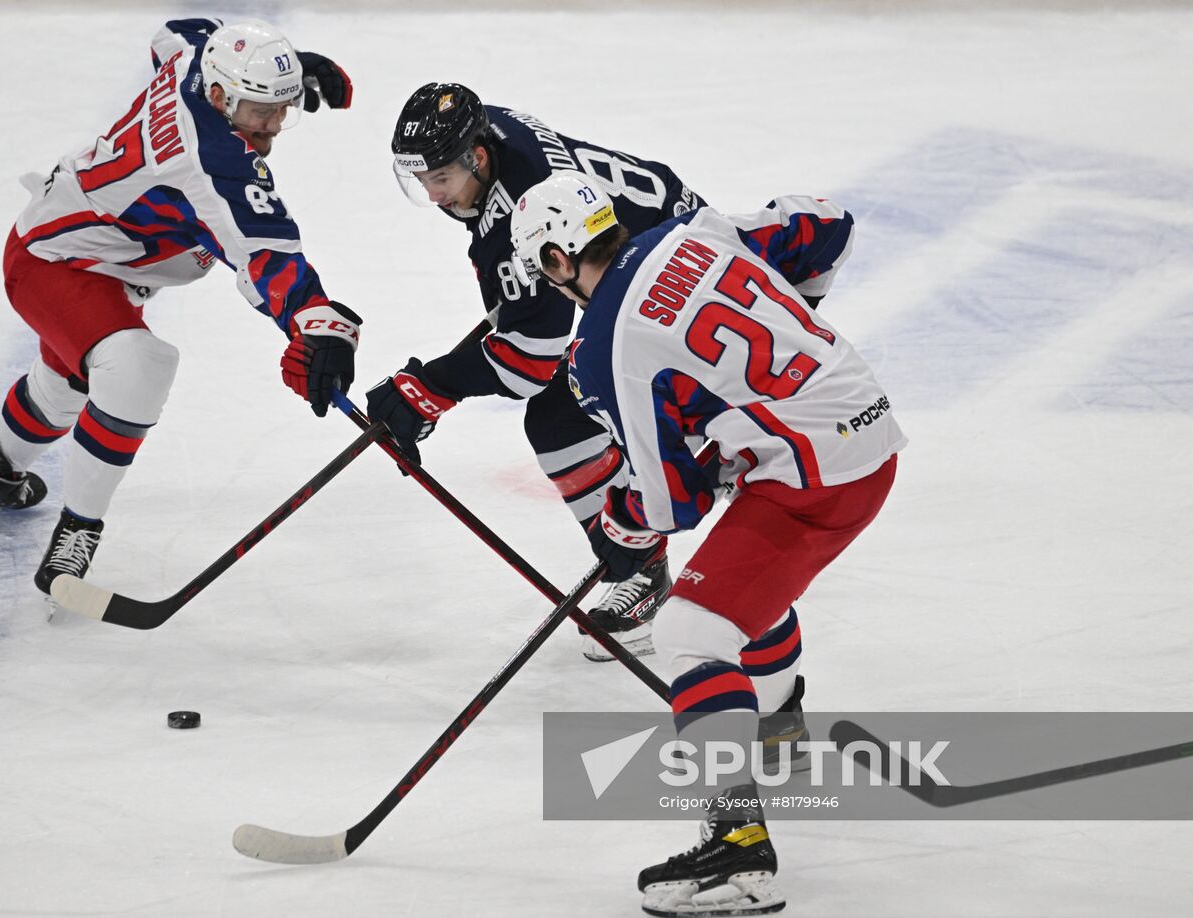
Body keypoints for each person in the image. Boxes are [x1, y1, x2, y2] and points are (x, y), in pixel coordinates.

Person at [510, 172, 906, 916]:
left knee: (690, 629)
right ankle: (780, 726)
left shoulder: (602, 349)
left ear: (559, 260)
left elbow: (672, 502)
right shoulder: (696, 229)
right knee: (733, 591)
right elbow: (826, 223)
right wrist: (794, 331)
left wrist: (623, 522)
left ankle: (737, 843)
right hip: (870, 432)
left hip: (811, 476)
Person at [0, 18, 361, 599]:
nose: (276, 124)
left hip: (91, 253)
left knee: (68, 384)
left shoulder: (197, 60)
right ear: (218, 96)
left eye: (282, 105)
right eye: (262, 109)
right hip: (52, 262)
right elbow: (267, 258)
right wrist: (318, 326)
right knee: (136, 368)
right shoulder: (212, 162)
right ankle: (74, 537)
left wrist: (285, 68)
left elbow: (179, 31)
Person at [366, 83, 706, 661]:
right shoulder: (490, 135)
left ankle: (643, 570)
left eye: (440, 179)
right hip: (673, 258)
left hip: (676, 298)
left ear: (475, 158)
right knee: (565, 398)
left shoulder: (521, 206)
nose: (432, 193)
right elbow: (524, 310)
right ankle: (640, 546)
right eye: (420, 179)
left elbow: (529, 360)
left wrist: (430, 388)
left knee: (559, 419)